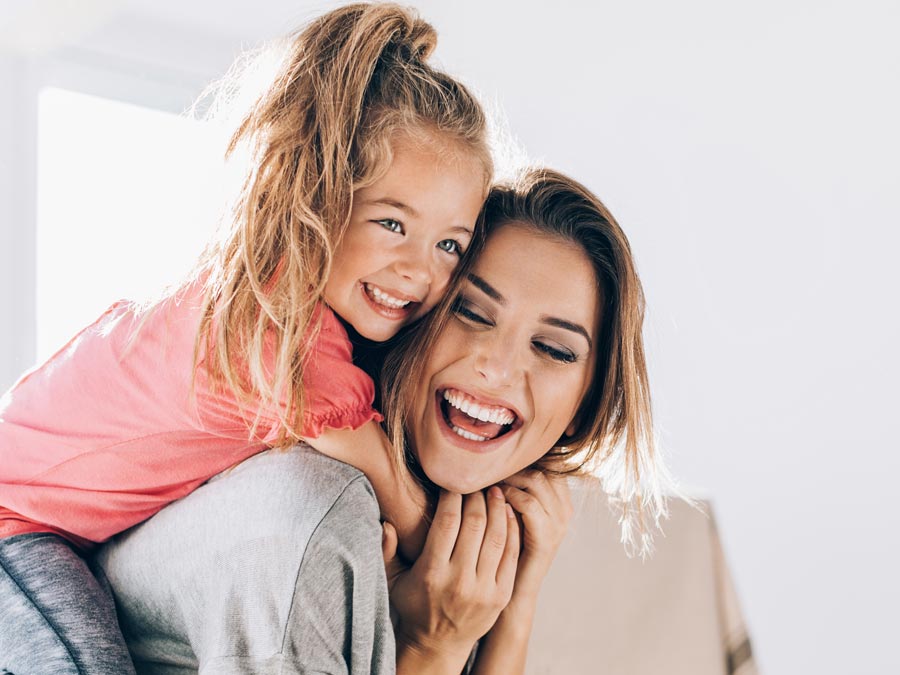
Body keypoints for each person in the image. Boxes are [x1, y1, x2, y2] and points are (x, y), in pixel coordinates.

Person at [0, 4, 491, 673]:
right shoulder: (284, 336)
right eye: (392, 224)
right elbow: (404, 507)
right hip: (12, 529)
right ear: (317, 197)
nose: (421, 269)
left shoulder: (255, 293)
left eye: (450, 244)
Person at [95, 167, 668, 674]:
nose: (496, 368)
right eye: (470, 312)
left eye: (554, 349)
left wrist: (515, 607)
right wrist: (432, 647)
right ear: (410, 309)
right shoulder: (318, 517)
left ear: (585, 404)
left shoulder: (465, 533)